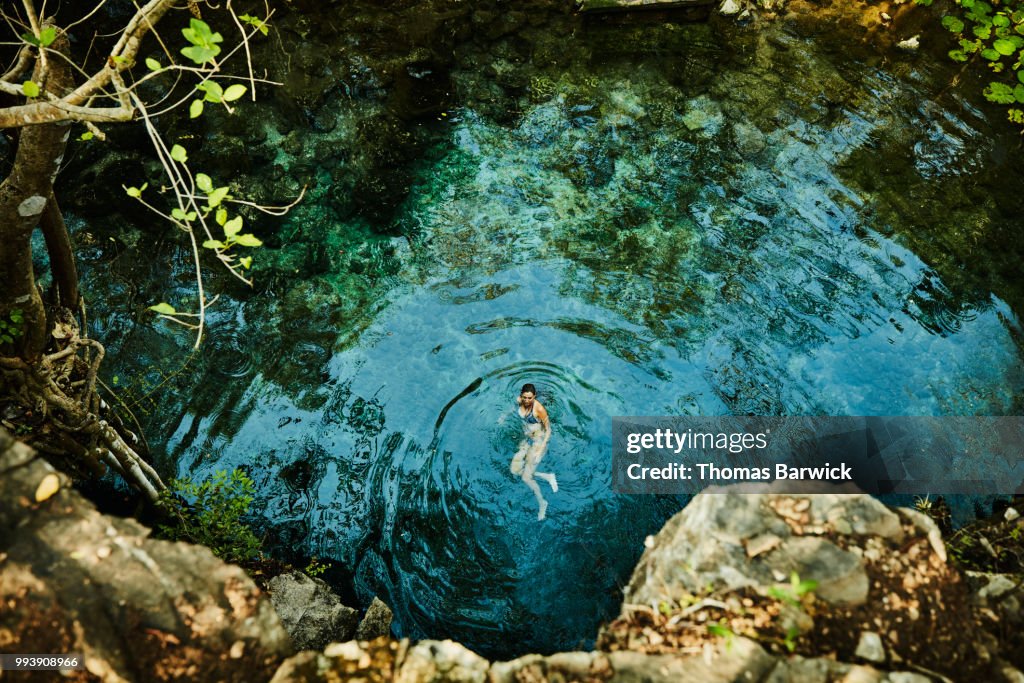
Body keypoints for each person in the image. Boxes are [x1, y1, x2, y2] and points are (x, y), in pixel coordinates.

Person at [510, 383, 557, 520]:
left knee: (526, 477)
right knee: (514, 470)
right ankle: (547, 476)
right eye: (524, 397)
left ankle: (542, 503)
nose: (527, 400)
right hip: (525, 439)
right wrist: (503, 416)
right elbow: (512, 409)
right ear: (521, 396)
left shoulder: (539, 410)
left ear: (534, 396)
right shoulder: (519, 401)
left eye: (530, 398)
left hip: (537, 442)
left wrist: (540, 449)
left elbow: (548, 430)